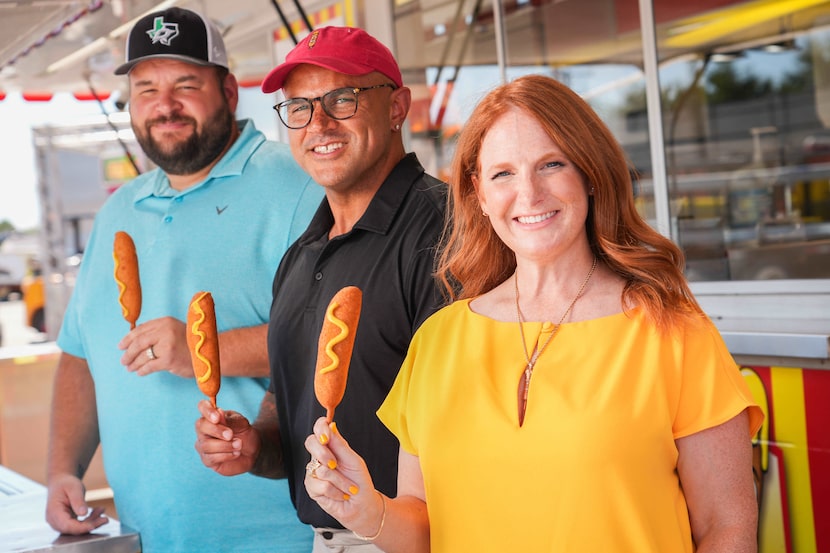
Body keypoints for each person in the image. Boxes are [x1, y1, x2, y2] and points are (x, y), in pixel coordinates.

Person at [299, 74, 766, 552]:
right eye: (503, 173)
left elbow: (726, 528)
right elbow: (426, 531)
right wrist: (366, 507)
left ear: (588, 174)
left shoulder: (673, 331)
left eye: (551, 164)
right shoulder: (438, 340)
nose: (529, 194)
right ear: (478, 194)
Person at [45, 7, 323, 553]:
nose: (164, 105)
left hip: (274, 535)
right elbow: (81, 354)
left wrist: (202, 350)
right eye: (146, 89)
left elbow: (338, 340)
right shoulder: (116, 213)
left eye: (185, 85)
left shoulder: (299, 190)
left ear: (228, 90)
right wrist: (62, 470)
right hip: (147, 534)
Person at [194, 26, 447, 551]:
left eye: (342, 99)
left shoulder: (444, 232)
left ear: (397, 106)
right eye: (300, 108)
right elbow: (292, 408)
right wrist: (253, 444)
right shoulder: (303, 252)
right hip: (324, 539)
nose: (319, 124)